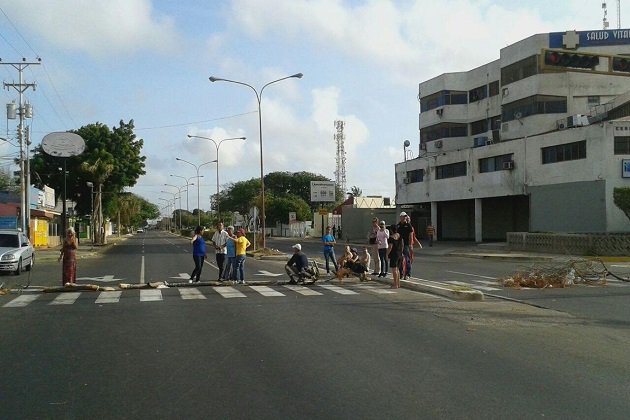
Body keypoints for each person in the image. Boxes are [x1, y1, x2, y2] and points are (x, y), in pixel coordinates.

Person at [397, 212, 414, 280]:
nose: (404, 218)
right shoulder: (398, 225)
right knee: (400, 259)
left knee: (407, 259)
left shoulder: (408, 225)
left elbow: (411, 235)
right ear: (400, 217)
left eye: (405, 216)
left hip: (406, 244)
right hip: (399, 244)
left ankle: (408, 274)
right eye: (403, 216)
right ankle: (401, 273)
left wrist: (410, 244)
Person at [387, 224, 403, 288]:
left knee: (394, 270)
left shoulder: (391, 237)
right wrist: (401, 252)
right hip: (399, 253)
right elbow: (402, 245)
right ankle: (398, 283)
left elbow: (390, 247)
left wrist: (386, 254)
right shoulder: (400, 236)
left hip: (394, 254)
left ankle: (395, 284)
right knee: (398, 269)